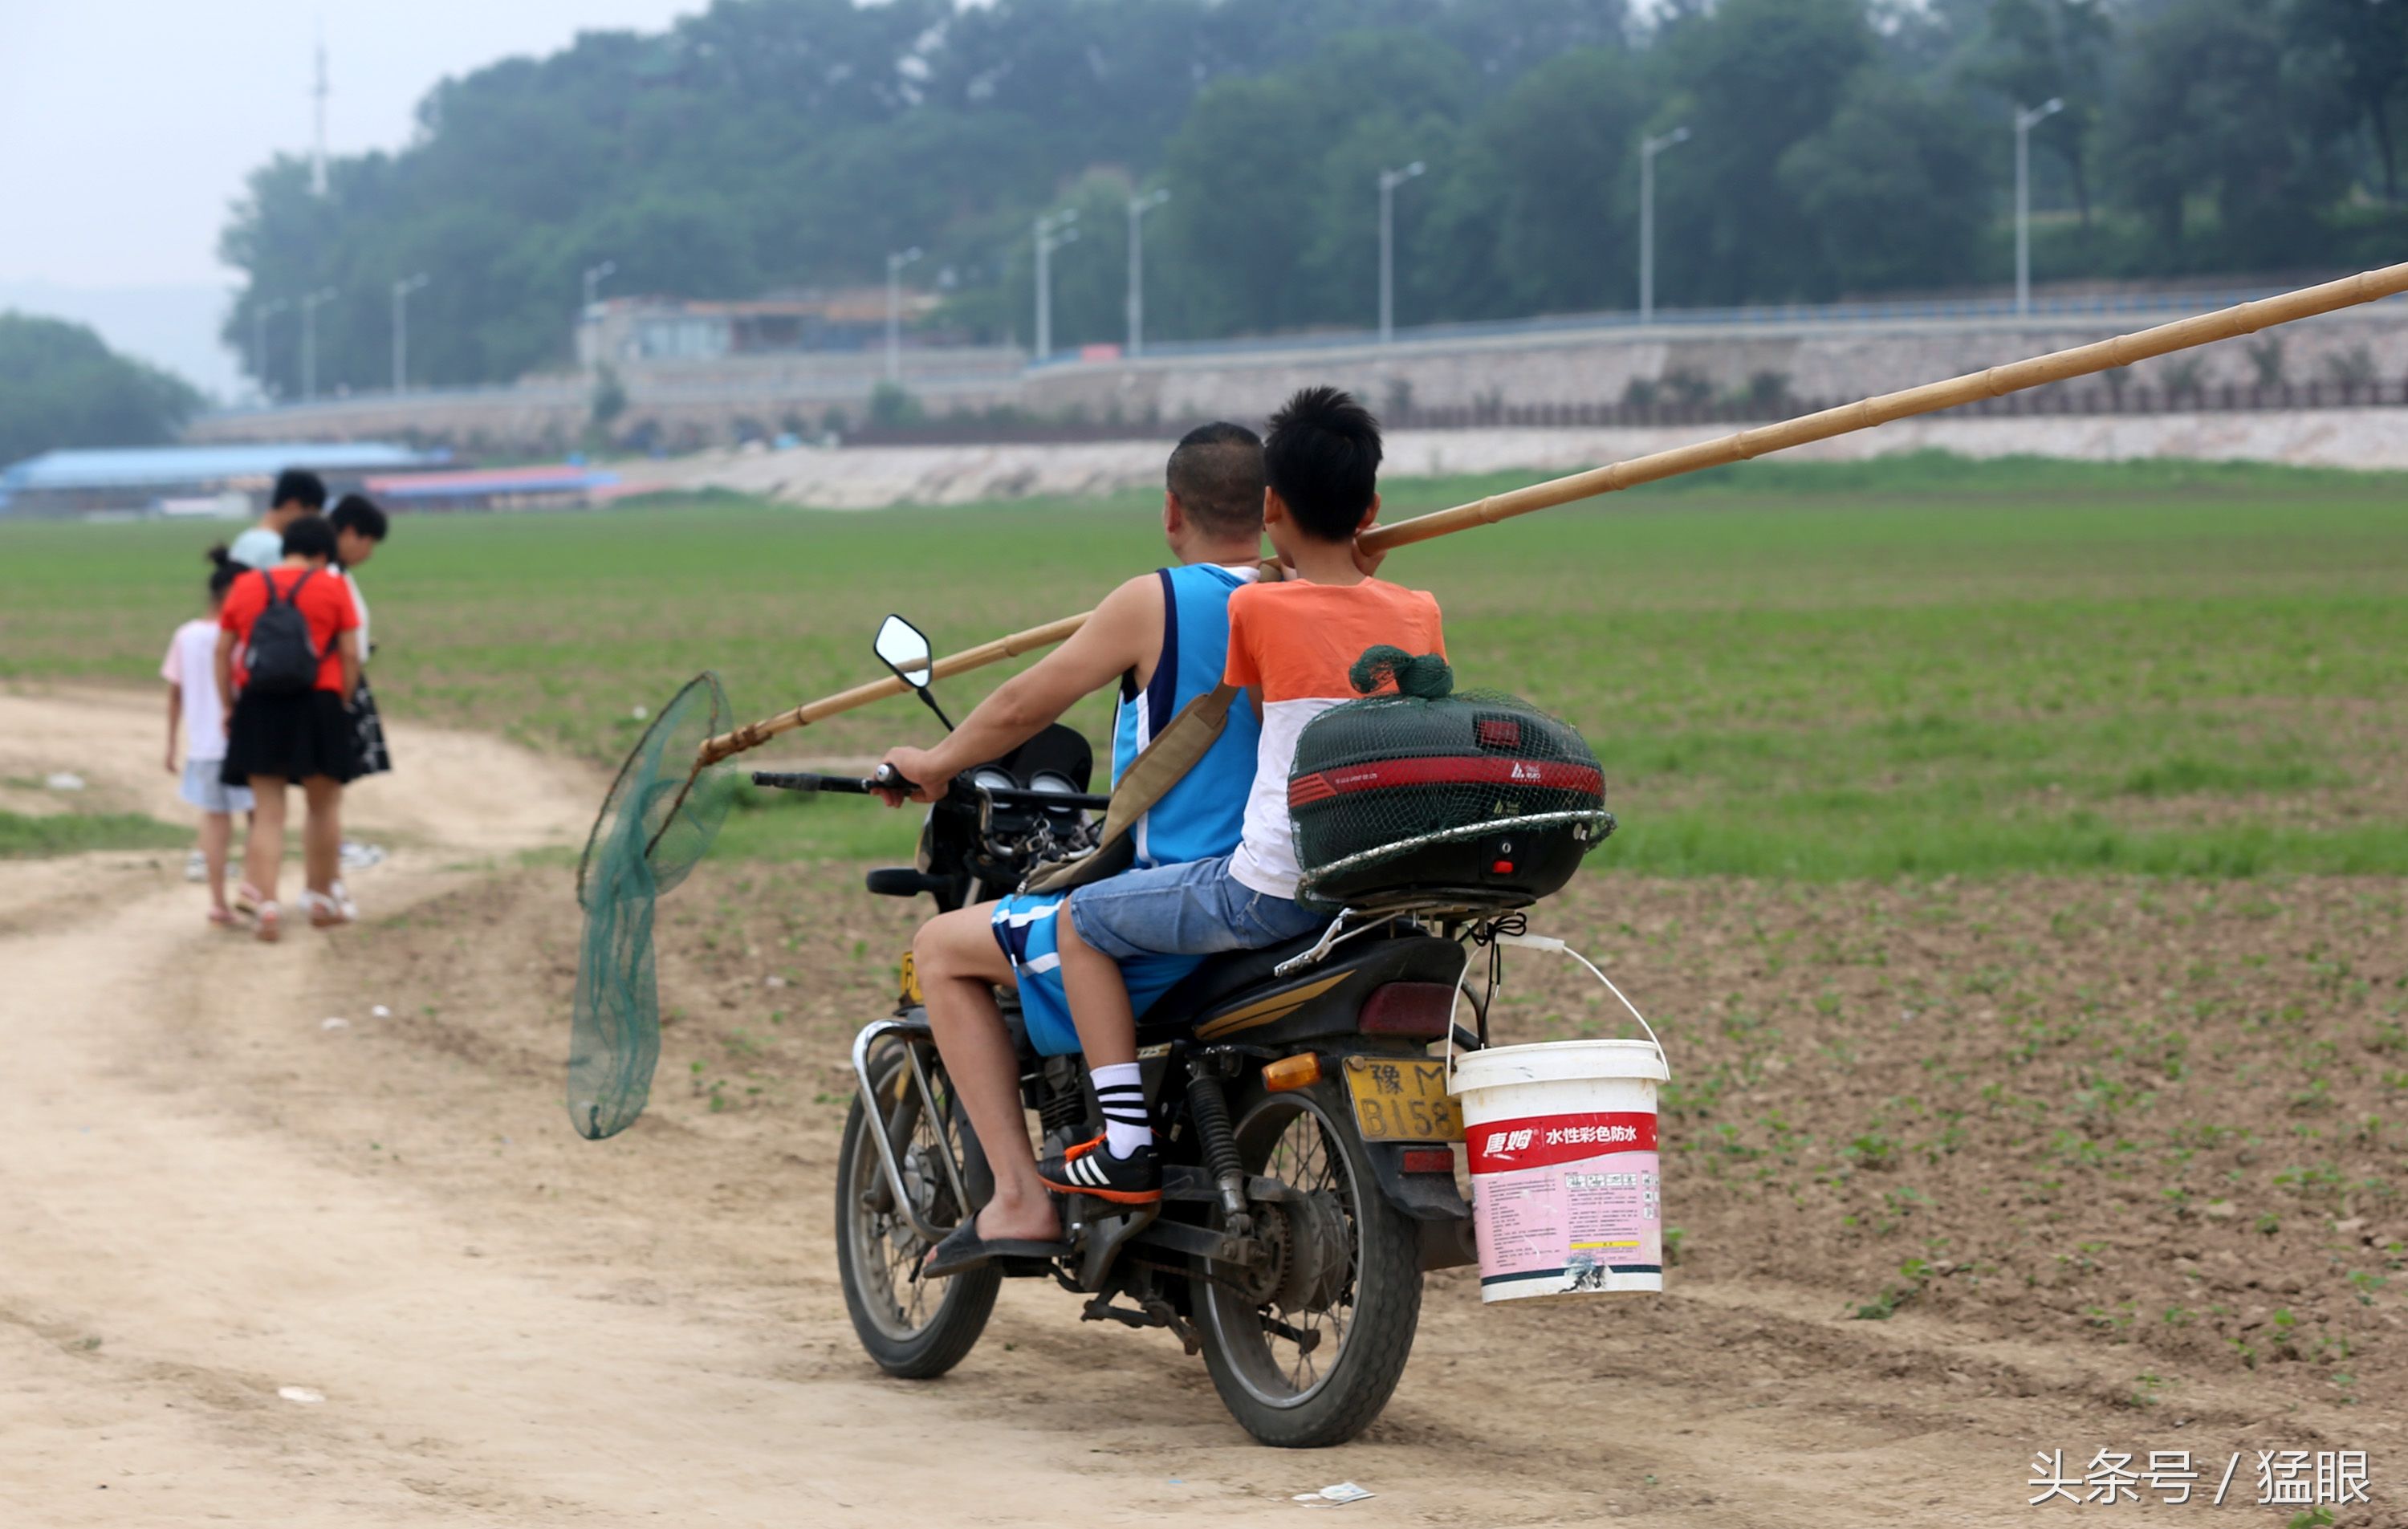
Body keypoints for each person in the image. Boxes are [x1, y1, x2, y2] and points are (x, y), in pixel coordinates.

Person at [872, 422, 1271, 1273]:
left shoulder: (1156, 600)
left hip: (1177, 898)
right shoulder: (1302, 593)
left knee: (941, 949)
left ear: (1172, 510)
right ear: (1270, 510)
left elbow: (1024, 703)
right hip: (1278, 886)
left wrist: (937, 765)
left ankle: (1018, 1198)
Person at [1043, 386, 1443, 1204]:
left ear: (1271, 507)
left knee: (1078, 921)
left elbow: (1266, 716)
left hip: (1271, 889)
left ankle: (1124, 1144)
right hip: (1373, 883)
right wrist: (1353, 585)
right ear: (1371, 508)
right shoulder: (1420, 610)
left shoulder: (1256, 605)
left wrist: (1302, 583)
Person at [214, 513, 362, 942]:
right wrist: (343, 700)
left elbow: (224, 651)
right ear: (323, 552)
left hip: (259, 704)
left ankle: (267, 904)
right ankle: (319, 897)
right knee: (323, 806)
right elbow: (350, 653)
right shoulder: (333, 587)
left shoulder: (246, 586)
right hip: (319, 701)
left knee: (268, 811)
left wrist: (229, 705)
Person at [163, 546, 254, 925]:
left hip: (203, 746)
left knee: (215, 821)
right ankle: (254, 886)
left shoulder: (185, 635)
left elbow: (176, 694)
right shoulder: (243, 636)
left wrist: (171, 743)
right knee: (261, 816)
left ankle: (218, 902)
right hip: (246, 742)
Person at [328, 494, 392, 883]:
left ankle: (335, 842)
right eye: (368, 543)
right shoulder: (330, 576)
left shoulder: (337, 572)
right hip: (338, 682)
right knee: (331, 773)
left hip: (346, 675)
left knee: (337, 774)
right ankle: (333, 848)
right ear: (351, 533)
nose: (367, 553)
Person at [228, 469, 327, 570]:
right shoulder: (277, 549)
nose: (312, 523)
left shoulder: (244, 539)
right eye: (311, 514)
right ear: (292, 505)